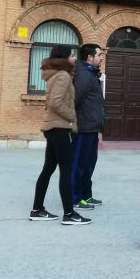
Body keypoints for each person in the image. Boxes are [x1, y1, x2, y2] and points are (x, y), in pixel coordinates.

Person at [29, 45, 90, 226]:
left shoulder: (56, 74)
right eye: (71, 55)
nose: (74, 58)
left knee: (48, 169)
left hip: (53, 127)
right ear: (64, 58)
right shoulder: (63, 76)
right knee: (66, 170)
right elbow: (55, 102)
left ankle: (37, 209)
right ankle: (69, 214)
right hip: (60, 128)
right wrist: (72, 116)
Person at [72, 43, 105, 211]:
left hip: (91, 128)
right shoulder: (84, 75)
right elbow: (74, 100)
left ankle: (86, 194)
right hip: (83, 128)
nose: (102, 58)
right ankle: (74, 198)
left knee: (89, 163)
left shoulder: (91, 74)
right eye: (99, 55)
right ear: (89, 57)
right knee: (79, 164)